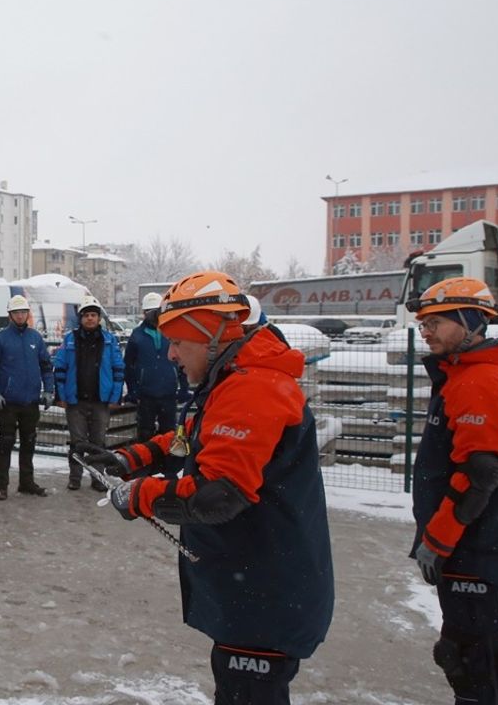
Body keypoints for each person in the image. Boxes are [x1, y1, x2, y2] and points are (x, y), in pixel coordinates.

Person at [84, 270, 333, 705]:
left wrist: (139, 496)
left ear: (210, 335)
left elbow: (214, 496)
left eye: (179, 343)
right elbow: (193, 435)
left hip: (261, 591)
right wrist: (131, 458)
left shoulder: (252, 389)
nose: (173, 356)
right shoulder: (236, 381)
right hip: (256, 585)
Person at [407, 277, 498, 704]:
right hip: (475, 547)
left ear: (470, 322)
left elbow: (478, 475)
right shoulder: (466, 375)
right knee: (482, 647)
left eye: (436, 322)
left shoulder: (480, 381)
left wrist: (438, 541)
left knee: (468, 655)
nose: (425, 331)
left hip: (474, 549)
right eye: (423, 322)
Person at [0, 295, 54, 500]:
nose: (21, 316)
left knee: (29, 442)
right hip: (8, 402)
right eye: (17, 313)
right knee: (5, 443)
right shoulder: (0, 339)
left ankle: (26, 482)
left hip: (30, 401)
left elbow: (46, 366)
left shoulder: (35, 338)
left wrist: (49, 390)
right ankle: (2, 485)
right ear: (10, 315)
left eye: (24, 312)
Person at [52, 295, 125, 491]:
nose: (90, 319)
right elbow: (60, 368)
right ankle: (74, 478)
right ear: (81, 318)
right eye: (86, 315)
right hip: (75, 401)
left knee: (98, 442)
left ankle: (97, 478)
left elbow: (118, 369)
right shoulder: (70, 340)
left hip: (101, 400)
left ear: (99, 317)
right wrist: (60, 396)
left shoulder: (109, 341)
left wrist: (116, 395)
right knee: (77, 442)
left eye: (93, 315)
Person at [123, 291, 189, 442]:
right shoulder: (137, 335)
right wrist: (132, 390)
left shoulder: (172, 332)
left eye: (155, 311)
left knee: (169, 434)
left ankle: (167, 464)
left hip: (169, 393)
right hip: (145, 395)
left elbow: (182, 361)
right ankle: (146, 463)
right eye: (149, 312)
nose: (153, 315)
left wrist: (184, 388)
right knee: (145, 433)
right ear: (144, 313)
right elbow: (128, 365)